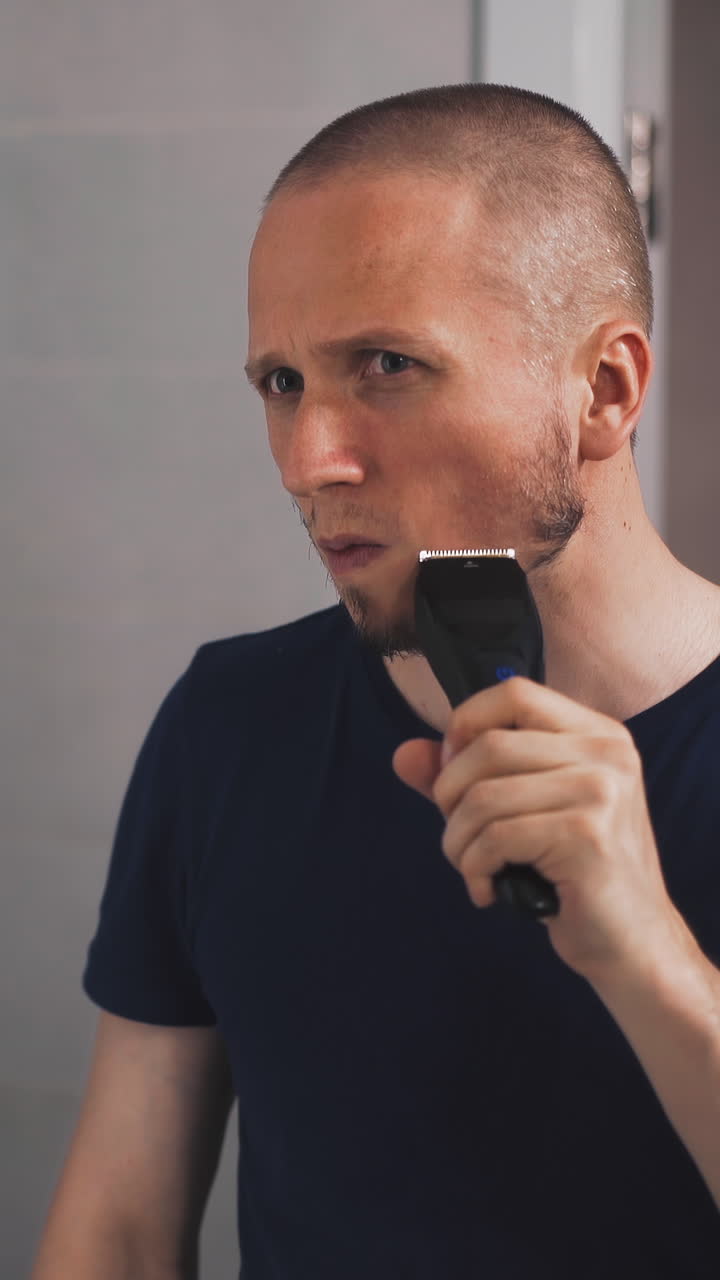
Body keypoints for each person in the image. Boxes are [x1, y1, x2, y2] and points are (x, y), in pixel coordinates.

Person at [32, 84, 720, 1280]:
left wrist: (647, 957)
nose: (309, 461)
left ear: (604, 390)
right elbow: (121, 1234)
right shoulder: (227, 726)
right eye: (282, 383)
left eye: (388, 364)